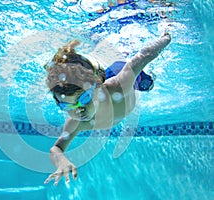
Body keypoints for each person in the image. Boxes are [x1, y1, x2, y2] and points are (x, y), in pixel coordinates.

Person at [43, 32, 171, 186]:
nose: (79, 110)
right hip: (100, 77)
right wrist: (61, 161)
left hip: (119, 71)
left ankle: (100, 38)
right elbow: (56, 148)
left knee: (148, 85)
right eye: (67, 105)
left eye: (84, 99)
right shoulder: (76, 123)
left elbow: (144, 56)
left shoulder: (120, 86)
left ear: (98, 86)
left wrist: (166, 36)